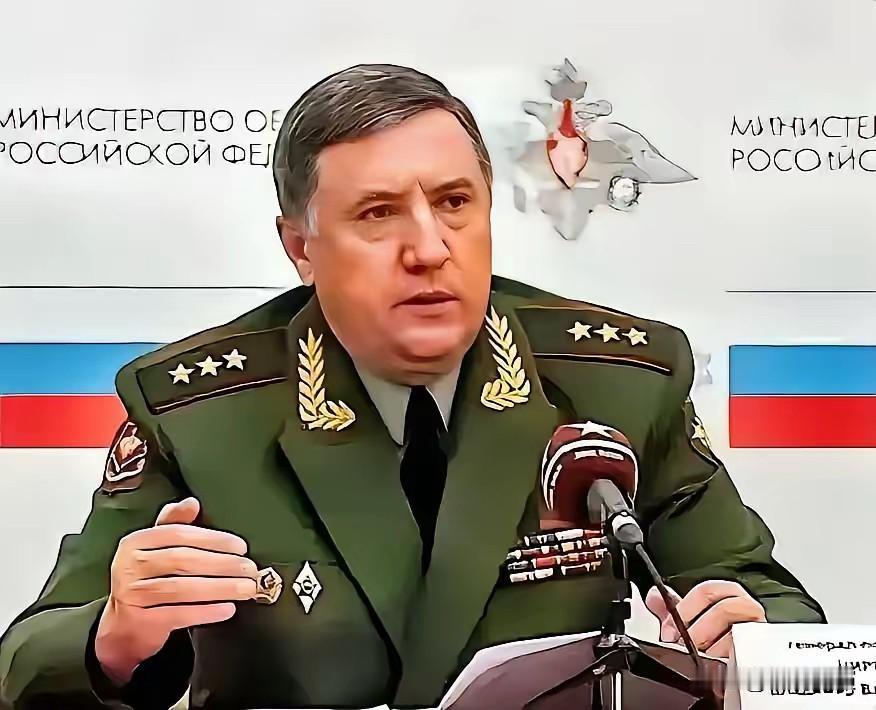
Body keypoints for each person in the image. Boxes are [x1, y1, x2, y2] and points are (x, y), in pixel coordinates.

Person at [0, 64, 823, 710]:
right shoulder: (201, 414)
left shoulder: (621, 385)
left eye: (454, 203)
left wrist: (754, 644)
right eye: (378, 213)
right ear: (301, 247)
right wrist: (115, 638)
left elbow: (791, 626)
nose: (429, 248)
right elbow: (23, 667)